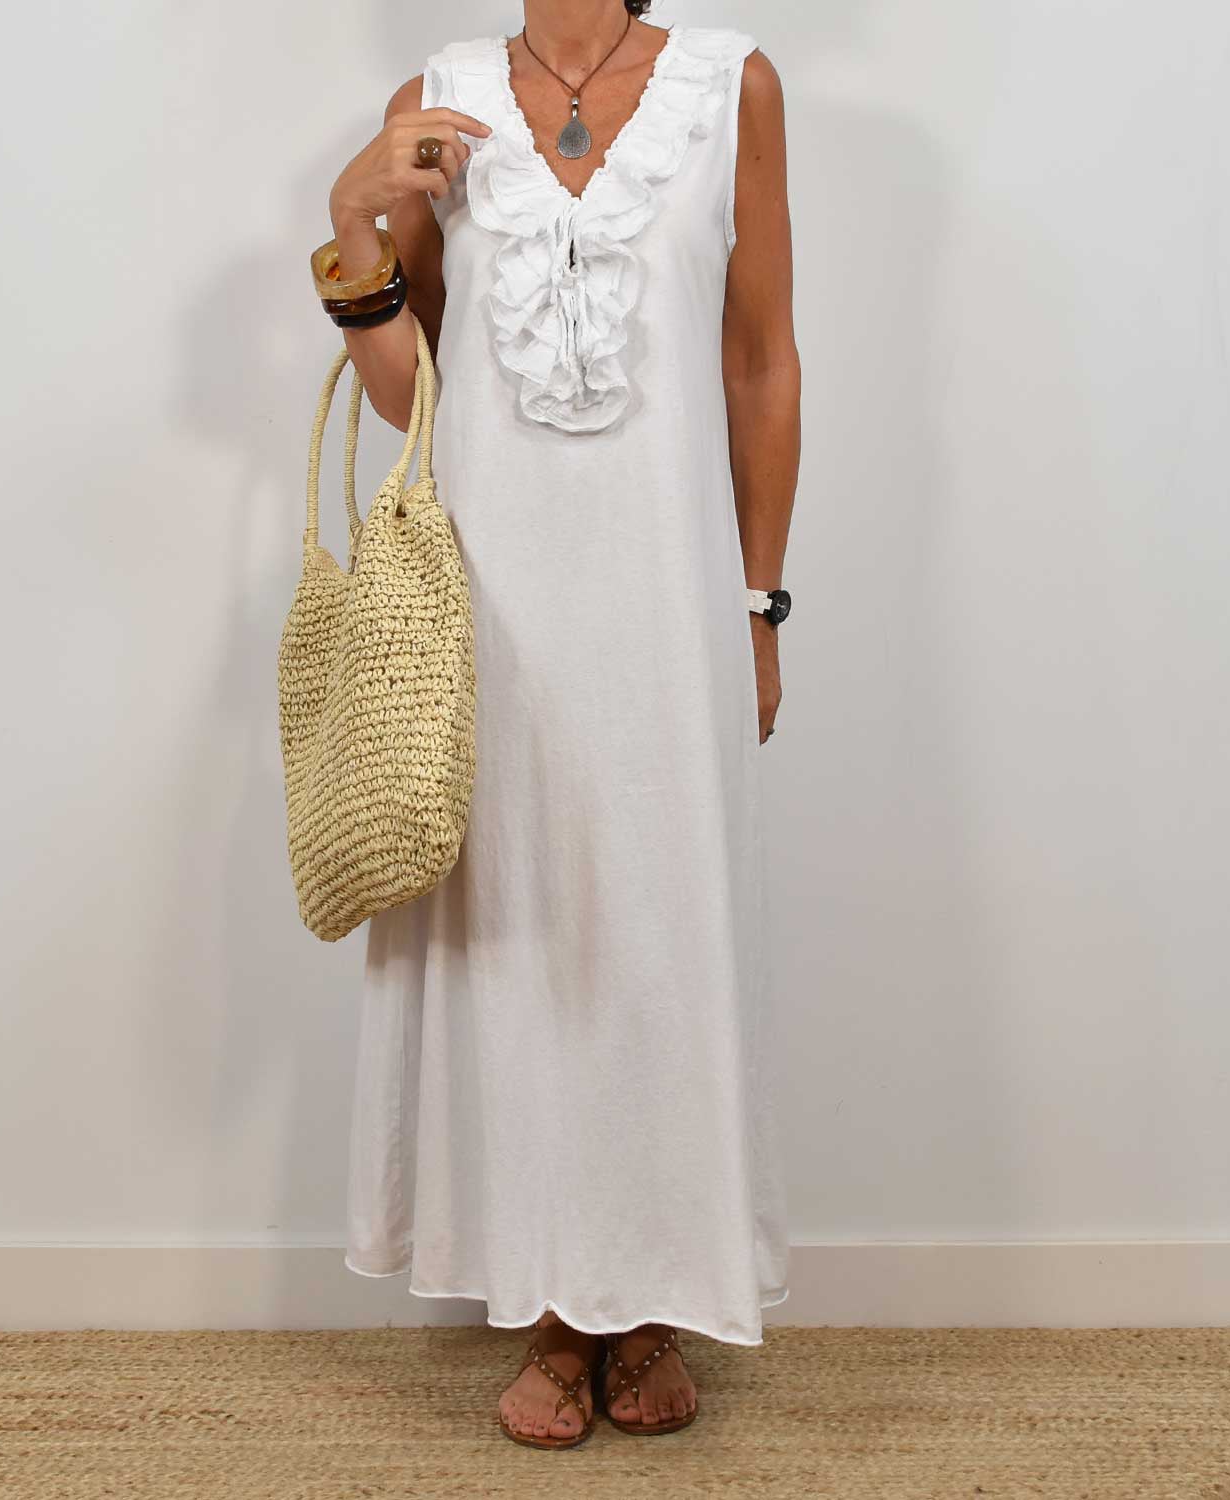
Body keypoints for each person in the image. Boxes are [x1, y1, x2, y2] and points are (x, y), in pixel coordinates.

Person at [315, 0, 800, 1450]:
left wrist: (760, 600)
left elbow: (760, 359)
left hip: (664, 596)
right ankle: (550, 1305)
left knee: (656, 931)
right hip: (495, 601)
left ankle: (647, 1299)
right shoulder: (443, 96)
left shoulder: (731, 85)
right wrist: (354, 220)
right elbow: (413, 396)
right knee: (516, 936)